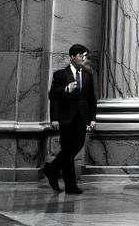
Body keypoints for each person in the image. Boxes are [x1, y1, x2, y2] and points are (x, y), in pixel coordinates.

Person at [42, 43, 97, 194]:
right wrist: (54, 118)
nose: (83, 59)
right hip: (66, 118)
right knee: (67, 149)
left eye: (85, 56)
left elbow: (91, 99)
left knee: (76, 146)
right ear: (72, 57)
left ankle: (52, 168)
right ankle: (70, 186)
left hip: (82, 118)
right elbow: (53, 96)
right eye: (80, 56)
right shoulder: (60, 74)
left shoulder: (87, 75)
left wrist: (93, 118)